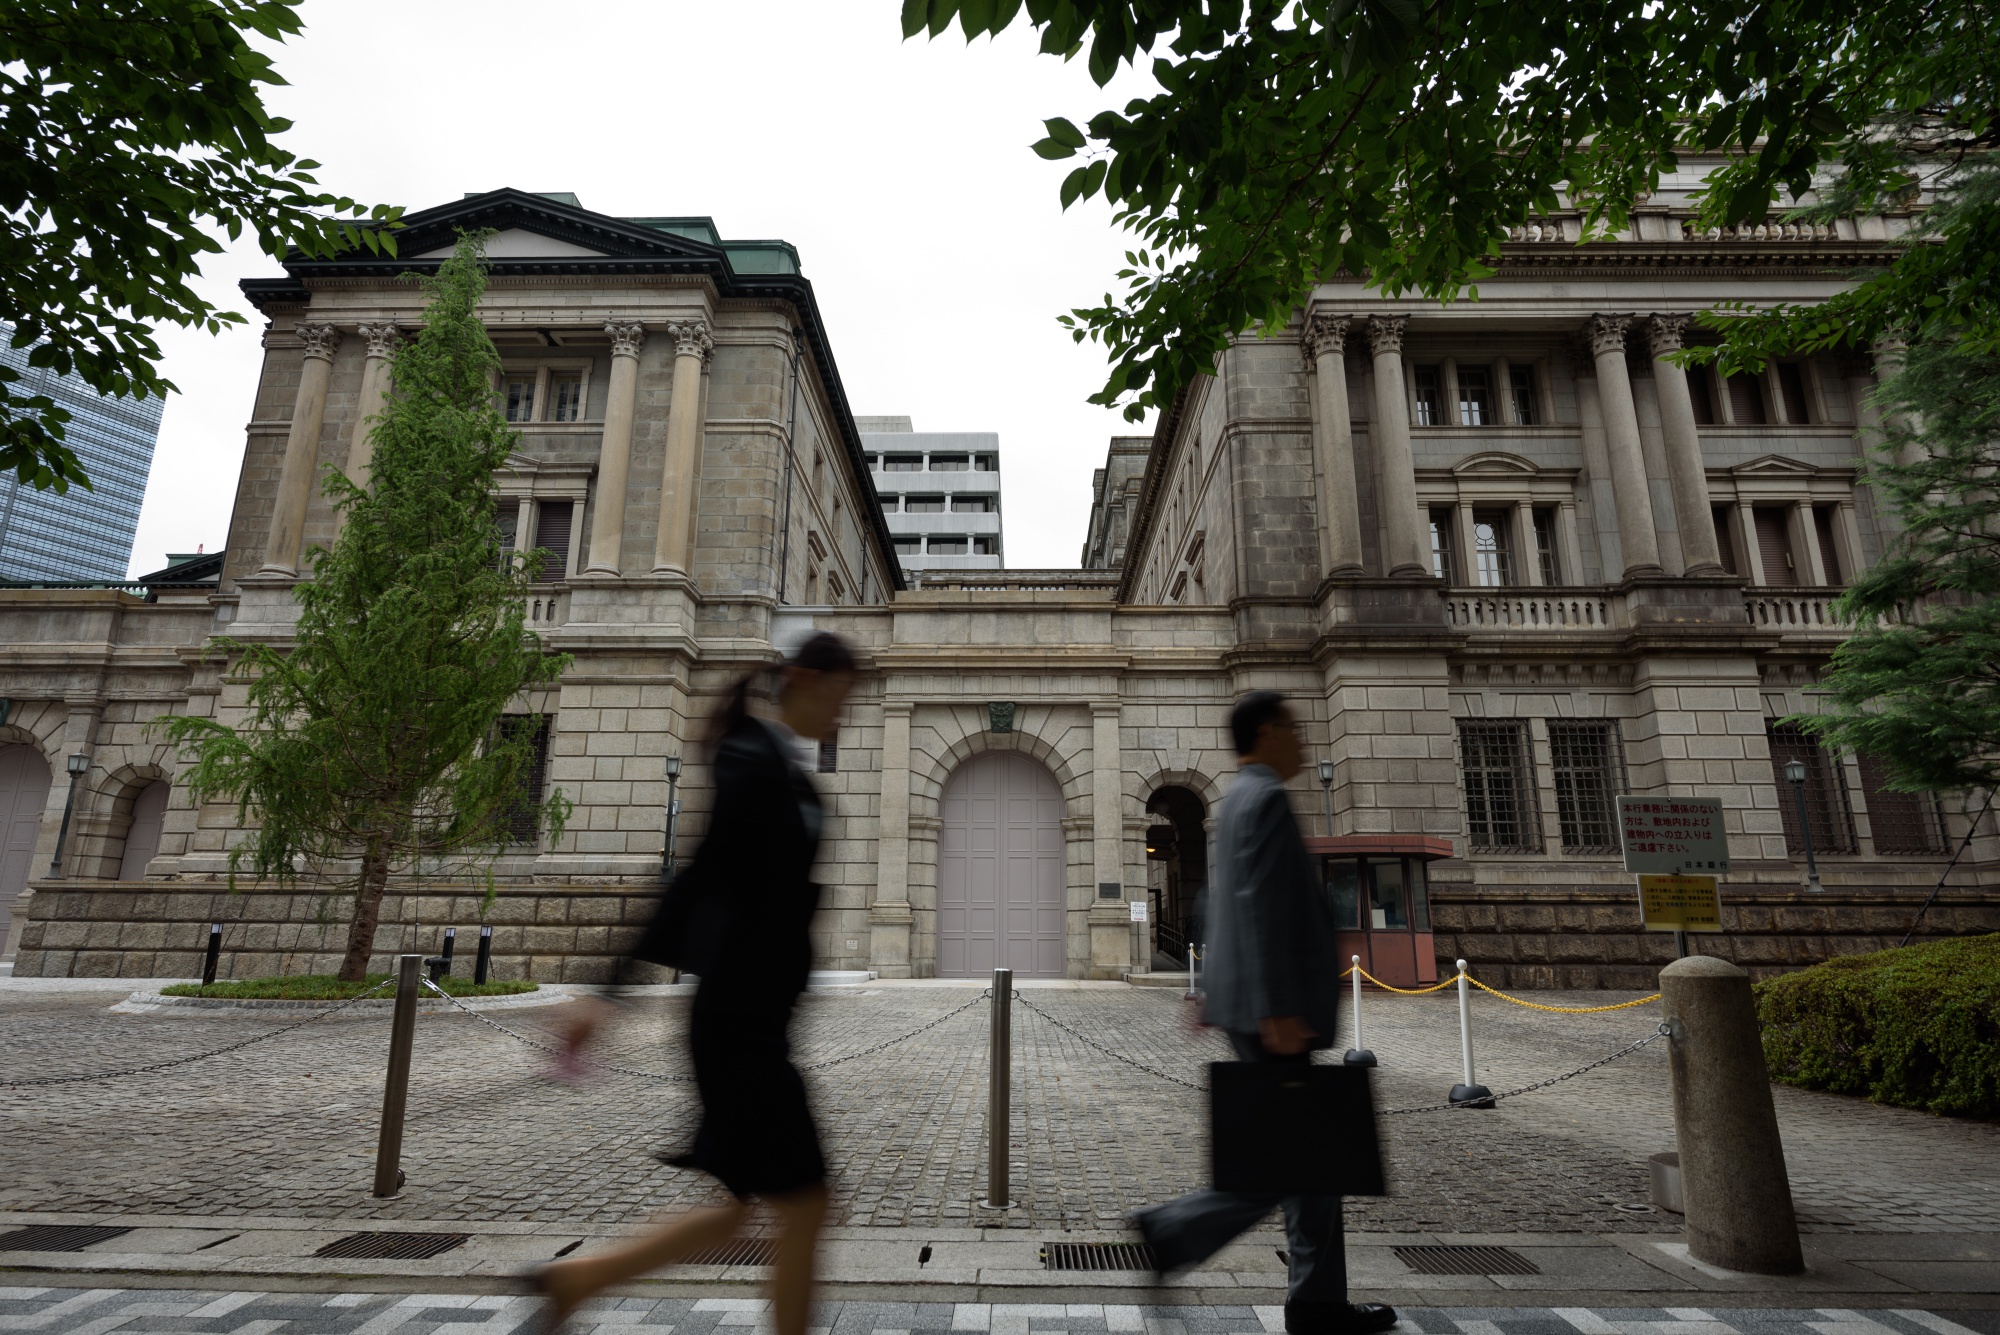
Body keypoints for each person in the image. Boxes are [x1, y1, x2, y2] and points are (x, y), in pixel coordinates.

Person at [530, 632, 858, 1335]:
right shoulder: (751, 760)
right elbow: (697, 879)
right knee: (807, 1201)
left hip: (758, 1022)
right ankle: (579, 1277)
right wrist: (606, 992)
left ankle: (578, 1277)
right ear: (804, 678)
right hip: (736, 1026)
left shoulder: (791, 774)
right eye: (841, 694)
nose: (845, 713)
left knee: (752, 1204)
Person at [1133, 691, 1396, 1335]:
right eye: (1294, 728)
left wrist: (1212, 989)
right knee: (1296, 1160)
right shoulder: (1266, 800)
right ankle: (1175, 1232)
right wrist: (1275, 1006)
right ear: (1268, 732)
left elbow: (1222, 904)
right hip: (1272, 1012)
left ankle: (1317, 1301)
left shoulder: (1239, 798)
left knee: (1309, 1163)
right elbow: (1259, 907)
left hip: (1254, 1003)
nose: (1304, 741)